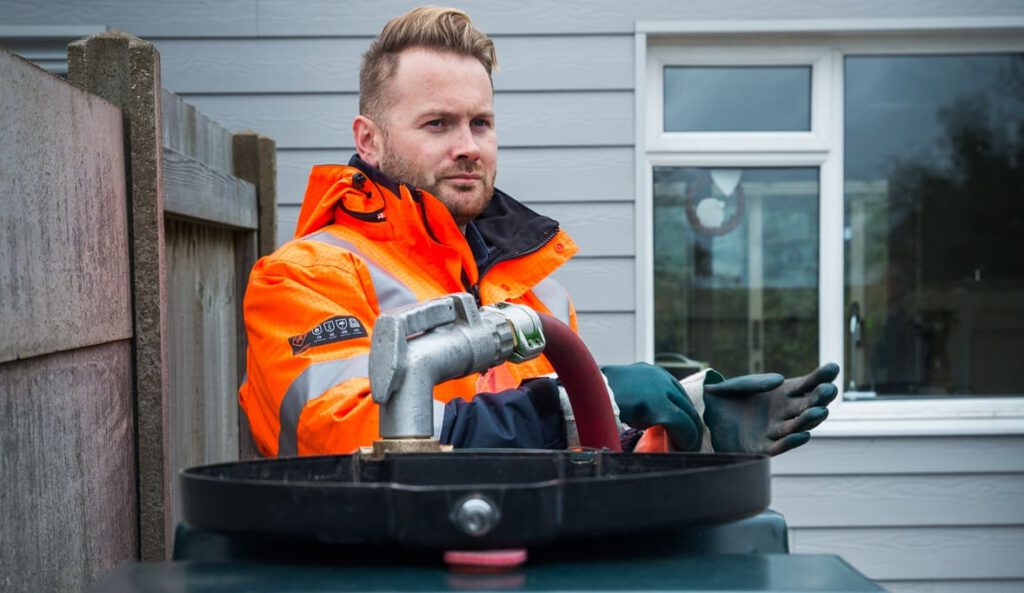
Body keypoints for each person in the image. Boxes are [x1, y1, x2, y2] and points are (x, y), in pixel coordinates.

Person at [239, 6, 839, 458]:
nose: (468, 147)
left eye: (481, 123)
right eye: (438, 124)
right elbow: (343, 437)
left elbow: (577, 452)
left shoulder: (536, 291)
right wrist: (572, 402)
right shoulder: (303, 278)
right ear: (368, 140)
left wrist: (688, 429)